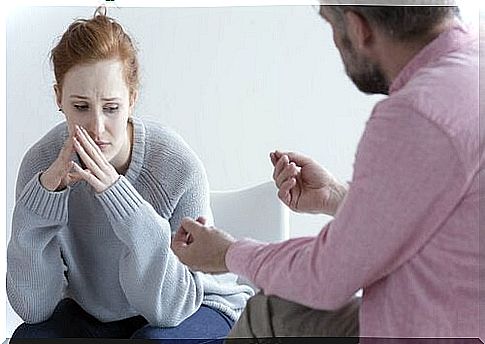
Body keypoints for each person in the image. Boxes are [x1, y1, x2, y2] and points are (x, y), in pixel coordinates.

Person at [172, 3, 481, 342]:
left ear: (357, 28)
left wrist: (227, 254)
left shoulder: (417, 114)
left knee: (270, 314)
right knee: (275, 314)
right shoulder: (471, 68)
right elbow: (444, 221)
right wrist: (340, 198)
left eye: (329, 25)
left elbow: (327, 278)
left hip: (429, 328)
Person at [7, 7, 253, 341]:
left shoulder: (178, 167)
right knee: (29, 338)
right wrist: (40, 207)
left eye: (111, 108)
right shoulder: (42, 165)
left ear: (132, 100)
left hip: (197, 306)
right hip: (98, 315)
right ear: (59, 99)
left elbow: (169, 310)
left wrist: (121, 201)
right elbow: (36, 309)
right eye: (80, 107)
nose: (97, 128)